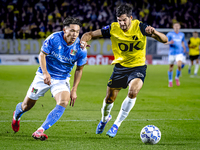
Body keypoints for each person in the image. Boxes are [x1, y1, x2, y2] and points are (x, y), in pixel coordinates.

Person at [80, 3, 168, 138]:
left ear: (130, 18)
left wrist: (154, 32)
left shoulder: (140, 27)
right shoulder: (113, 28)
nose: (121, 23)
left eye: (124, 20)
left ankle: (116, 124)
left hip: (138, 67)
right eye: (119, 20)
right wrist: (83, 41)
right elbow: (89, 34)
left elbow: (164, 40)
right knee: (109, 99)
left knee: (133, 92)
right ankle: (104, 119)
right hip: (120, 68)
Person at [11, 17, 87, 141]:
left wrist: (74, 89)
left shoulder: (81, 48)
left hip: (61, 79)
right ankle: (17, 114)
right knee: (26, 106)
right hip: (43, 76)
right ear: (64, 30)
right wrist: (45, 73)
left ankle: (40, 130)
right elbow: (42, 55)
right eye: (72, 30)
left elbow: (79, 69)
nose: (74, 34)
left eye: (77, 32)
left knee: (63, 101)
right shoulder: (54, 38)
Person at [165, 22, 186, 87]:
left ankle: (177, 77)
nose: (176, 27)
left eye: (178, 26)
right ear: (173, 27)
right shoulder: (170, 34)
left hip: (179, 52)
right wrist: (169, 42)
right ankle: (170, 81)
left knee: (179, 65)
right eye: (175, 26)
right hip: (172, 53)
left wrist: (184, 47)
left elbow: (182, 41)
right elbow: (164, 42)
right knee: (171, 67)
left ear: (179, 27)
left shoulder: (182, 34)